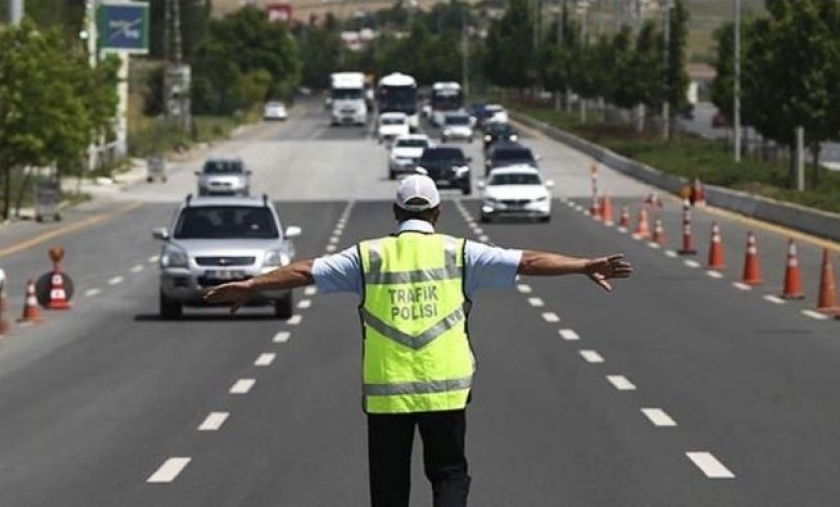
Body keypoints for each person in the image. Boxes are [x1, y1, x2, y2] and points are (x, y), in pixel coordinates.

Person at [204, 174, 633, 507]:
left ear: (395, 211)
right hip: (446, 389)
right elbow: (529, 260)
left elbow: (304, 271)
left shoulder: (367, 256)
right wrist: (582, 265)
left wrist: (252, 285)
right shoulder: (461, 253)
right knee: (449, 474)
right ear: (438, 212)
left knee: (390, 488)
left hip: (387, 394)